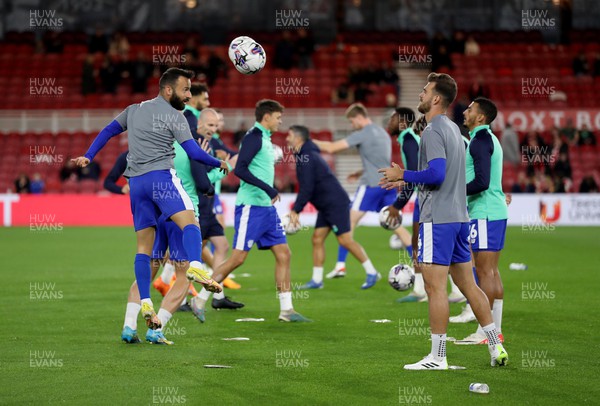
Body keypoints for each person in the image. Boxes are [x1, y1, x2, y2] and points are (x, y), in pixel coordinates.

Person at [72, 67, 229, 331]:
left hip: (137, 185)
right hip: (161, 180)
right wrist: (218, 162)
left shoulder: (133, 110)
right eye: (185, 89)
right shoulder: (176, 116)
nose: (189, 95)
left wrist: (89, 155)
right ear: (168, 90)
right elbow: (193, 152)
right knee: (190, 221)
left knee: (143, 250)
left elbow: (109, 131)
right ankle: (194, 266)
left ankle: (145, 301)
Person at [378, 73, 507, 370]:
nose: (420, 95)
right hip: (461, 218)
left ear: (436, 98)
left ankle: (437, 357)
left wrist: (404, 175)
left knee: (435, 288)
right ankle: (496, 346)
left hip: (438, 220)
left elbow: (436, 175)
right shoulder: (454, 131)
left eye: (424, 91)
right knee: (469, 286)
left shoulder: (434, 131)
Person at [192, 99, 311, 322]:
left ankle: (287, 310)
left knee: (284, 254)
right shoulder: (254, 138)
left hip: (266, 209)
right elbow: (241, 169)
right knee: (237, 258)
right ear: (266, 117)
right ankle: (199, 299)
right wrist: (268, 188)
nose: (280, 121)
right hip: (250, 207)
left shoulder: (265, 139)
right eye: (278, 117)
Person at [284, 125, 377, 290]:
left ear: (298, 139)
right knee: (317, 239)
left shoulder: (307, 157)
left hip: (334, 204)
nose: (286, 139)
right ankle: (317, 280)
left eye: (289, 135)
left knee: (345, 240)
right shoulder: (306, 155)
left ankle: (372, 272)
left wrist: (296, 210)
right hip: (326, 205)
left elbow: (307, 188)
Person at [313, 103, 393, 289]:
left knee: (346, 226)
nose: (352, 125)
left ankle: (351, 268)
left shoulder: (364, 132)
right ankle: (417, 273)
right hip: (387, 183)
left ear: (358, 117)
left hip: (371, 185)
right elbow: (379, 161)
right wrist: (358, 171)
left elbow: (332, 148)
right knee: (395, 225)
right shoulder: (382, 132)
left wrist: (310, 142)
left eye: (351, 121)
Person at [452, 97, 508, 345]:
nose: (465, 111)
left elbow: (482, 182)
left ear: (481, 117)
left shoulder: (479, 141)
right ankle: (495, 331)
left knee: (484, 272)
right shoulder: (488, 139)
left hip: (483, 212)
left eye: (470, 109)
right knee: (492, 272)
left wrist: (454, 191)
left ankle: (485, 332)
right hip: (493, 212)